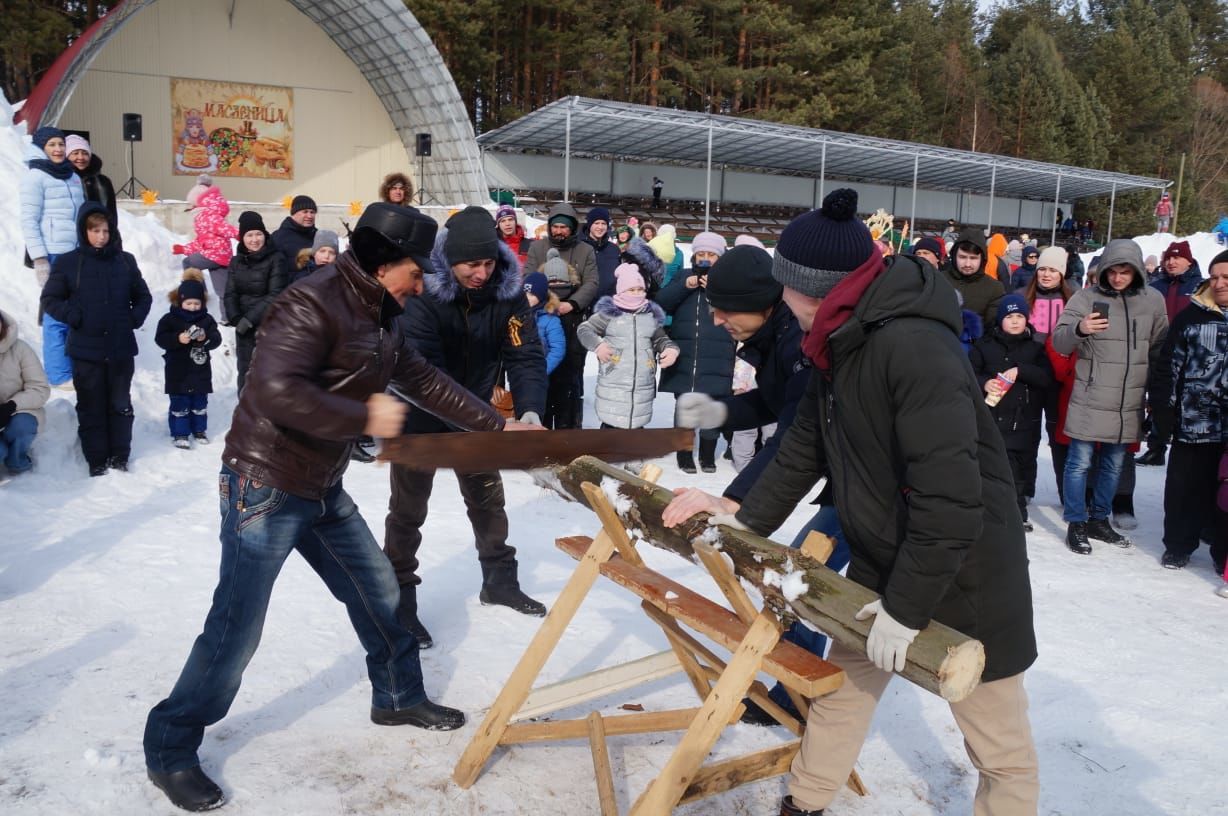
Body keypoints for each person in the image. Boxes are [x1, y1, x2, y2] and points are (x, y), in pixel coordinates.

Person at [142, 202, 536, 813]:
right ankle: (169, 749)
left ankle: (398, 696)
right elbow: (275, 390)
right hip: (265, 485)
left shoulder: (383, 314)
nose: (423, 282)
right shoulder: (311, 302)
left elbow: (423, 380)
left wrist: (495, 426)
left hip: (321, 484)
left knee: (378, 589)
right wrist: (363, 418)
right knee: (237, 626)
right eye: (416, 270)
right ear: (386, 265)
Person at [708, 189, 1036, 816]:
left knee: (1000, 747)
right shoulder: (840, 337)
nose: (779, 301)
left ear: (815, 288)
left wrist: (908, 611)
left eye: (785, 288)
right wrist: (744, 516)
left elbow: (952, 500)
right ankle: (804, 804)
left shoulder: (912, 348)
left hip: (967, 576)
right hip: (886, 561)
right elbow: (804, 442)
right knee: (843, 697)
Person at [384, 206, 549, 649]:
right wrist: (490, 422)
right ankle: (398, 602)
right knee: (407, 512)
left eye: (489, 262)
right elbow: (424, 375)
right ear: (449, 261)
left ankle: (499, 580)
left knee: (488, 500)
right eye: (470, 265)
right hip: (419, 414)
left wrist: (530, 410)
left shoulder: (506, 293)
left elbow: (525, 352)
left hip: (478, 413)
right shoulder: (421, 296)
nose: (481, 273)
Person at [1051, 239, 1168, 554]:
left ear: (1137, 272)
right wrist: (1080, 327)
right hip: (1090, 395)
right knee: (1078, 464)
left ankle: (1099, 520)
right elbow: (1059, 342)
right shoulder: (1086, 297)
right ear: (1103, 270)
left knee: (1115, 465)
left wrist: (1156, 395)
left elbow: (1159, 350)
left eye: (1125, 272)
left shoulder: (1153, 301)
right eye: (1112, 271)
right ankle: (1076, 522)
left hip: (1127, 401)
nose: (1117, 278)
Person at [40, 204, 151, 476]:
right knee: (91, 406)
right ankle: (97, 460)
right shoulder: (68, 262)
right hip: (85, 351)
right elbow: (50, 299)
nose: (101, 236)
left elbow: (143, 296)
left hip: (120, 348)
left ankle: (120, 456)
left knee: (119, 403)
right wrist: (74, 316)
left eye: (105, 230)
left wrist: (133, 318)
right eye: (95, 230)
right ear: (83, 230)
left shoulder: (125, 260)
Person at [1151, 248, 1228, 571]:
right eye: (1215, 277)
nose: (1220, 283)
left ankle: (1220, 548)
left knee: (1222, 492)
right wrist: (1164, 414)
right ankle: (1179, 544)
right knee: (1184, 488)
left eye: (1226, 277)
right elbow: (1168, 367)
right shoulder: (1192, 315)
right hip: (1193, 421)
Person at [971, 294, 1054, 532]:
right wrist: (984, 383)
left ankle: (1018, 511)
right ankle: (991, 511)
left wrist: (1021, 370)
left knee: (1019, 469)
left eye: (1019, 316)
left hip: (1023, 421)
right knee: (992, 467)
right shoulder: (984, 346)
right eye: (1009, 316)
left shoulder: (1035, 349)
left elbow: (1046, 378)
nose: (1015, 321)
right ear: (1000, 320)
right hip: (992, 419)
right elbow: (968, 373)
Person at [656, 231, 735, 473]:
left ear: (721, 258)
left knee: (712, 405)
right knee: (686, 406)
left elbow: (738, 309)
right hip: (686, 354)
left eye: (711, 255)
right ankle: (684, 453)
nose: (705, 259)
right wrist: (685, 286)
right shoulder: (683, 276)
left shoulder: (731, 282)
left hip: (718, 354)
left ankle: (708, 454)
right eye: (701, 254)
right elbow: (660, 303)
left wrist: (717, 290)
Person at [524, 203, 599, 429]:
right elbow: (528, 278)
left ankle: (569, 431)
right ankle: (541, 429)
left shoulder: (585, 250)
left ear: (572, 228)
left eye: (563, 227)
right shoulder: (537, 248)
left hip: (572, 319)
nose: (559, 231)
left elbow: (592, 281)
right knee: (544, 376)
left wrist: (572, 304)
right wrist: (546, 302)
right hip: (543, 317)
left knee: (570, 379)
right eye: (555, 226)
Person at [21, 125, 85, 388]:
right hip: (52, 253)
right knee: (55, 314)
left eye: (61, 144)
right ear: (41, 148)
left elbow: (80, 217)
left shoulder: (71, 176)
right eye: (52, 145)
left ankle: (73, 364)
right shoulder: (35, 176)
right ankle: (58, 374)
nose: (58, 150)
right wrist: (40, 259)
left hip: (75, 253)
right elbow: (29, 220)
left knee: (75, 311)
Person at [577, 263, 678, 428]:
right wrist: (598, 346)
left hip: (642, 388)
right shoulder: (609, 314)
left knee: (634, 443)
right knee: (611, 439)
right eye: (632, 290)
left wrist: (670, 349)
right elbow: (584, 329)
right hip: (613, 384)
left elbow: (660, 339)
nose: (637, 294)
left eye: (640, 289)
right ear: (621, 291)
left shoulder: (649, 316)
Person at [1139, 240, 1205, 466]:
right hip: (1157, 348)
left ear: (1189, 260)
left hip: (1189, 352)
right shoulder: (1155, 286)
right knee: (1158, 398)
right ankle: (1156, 446)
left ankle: (1183, 447)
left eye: (1177, 257)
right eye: (1168, 258)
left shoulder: (1200, 286)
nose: (1171, 262)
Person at [154, 270, 223, 449]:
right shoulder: (169, 320)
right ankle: (180, 433)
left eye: (196, 303)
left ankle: (199, 430)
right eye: (189, 303)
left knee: (200, 402)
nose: (193, 307)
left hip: (200, 370)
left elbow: (216, 339)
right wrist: (177, 339)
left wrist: (204, 338)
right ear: (180, 301)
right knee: (180, 403)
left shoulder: (207, 320)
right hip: (178, 371)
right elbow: (160, 339)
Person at [224, 211, 288, 393]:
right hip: (243, 327)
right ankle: (244, 416)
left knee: (267, 374)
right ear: (242, 238)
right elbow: (230, 293)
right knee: (245, 372)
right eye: (249, 235)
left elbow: (276, 293)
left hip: (268, 325)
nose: (254, 239)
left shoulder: (276, 258)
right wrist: (236, 318)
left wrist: (249, 319)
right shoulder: (236, 261)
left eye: (258, 234)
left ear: (265, 235)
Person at [172, 175, 238, 314]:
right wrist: (185, 248)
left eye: (192, 204)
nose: (191, 207)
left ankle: (198, 293)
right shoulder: (211, 215)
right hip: (222, 257)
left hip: (213, 254)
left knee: (189, 263)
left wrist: (239, 234)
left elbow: (223, 228)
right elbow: (201, 242)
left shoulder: (206, 215)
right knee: (223, 290)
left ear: (199, 203)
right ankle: (228, 318)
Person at [0, 308, 50, 479]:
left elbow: (39, 388)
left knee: (23, 425)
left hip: (18, 412)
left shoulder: (20, 349)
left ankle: (18, 462)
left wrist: (11, 406)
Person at [944, 227, 1006, 325]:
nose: (967, 264)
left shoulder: (995, 289)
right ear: (954, 256)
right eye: (962, 257)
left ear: (982, 259)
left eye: (973, 258)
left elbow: (992, 327)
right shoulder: (939, 280)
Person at [65, 135, 119, 242]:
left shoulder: (103, 182)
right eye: (75, 153)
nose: (80, 157)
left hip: (99, 238)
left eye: (85, 153)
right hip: (71, 239)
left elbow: (112, 214)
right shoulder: (62, 181)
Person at [522, 272, 565, 376]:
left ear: (541, 296)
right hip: (519, 372)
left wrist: (541, 371)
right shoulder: (518, 314)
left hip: (538, 373)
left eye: (531, 295)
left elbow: (557, 349)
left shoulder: (550, 319)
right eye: (524, 294)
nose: (527, 298)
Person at [583, 207, 622, 300]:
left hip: (608, 302)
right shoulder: (580, 247)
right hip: (585, 302)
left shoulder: (614, 249)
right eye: (596, 223)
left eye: (603, 223)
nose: (600, 227)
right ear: (589, 224)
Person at [270, 195, 318, 261]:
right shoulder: (279, 237)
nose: (309, 216)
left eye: (312, 212)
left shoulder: (319, 236)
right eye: (305, 212)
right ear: (294, 213)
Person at [495, 203, 531, 268]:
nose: (507, 224)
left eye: (510, 219)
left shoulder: (530, 245)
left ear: (515, 222)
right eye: (503, 221)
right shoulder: (494, 246)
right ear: (498, 225)